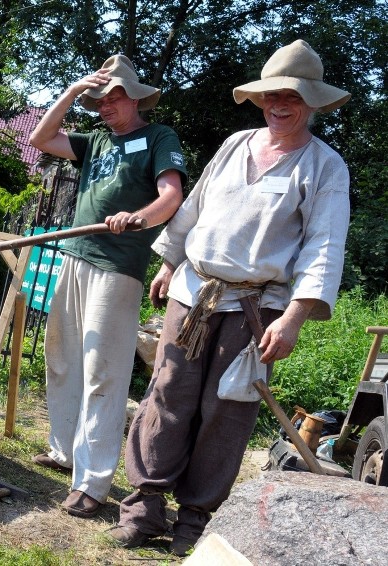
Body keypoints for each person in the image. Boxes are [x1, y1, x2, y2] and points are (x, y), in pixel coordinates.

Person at [109, 39, 351, 555]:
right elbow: (194, 209)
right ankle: (145, 506)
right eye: (271, 96)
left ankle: (195, 520)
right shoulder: (237, 143)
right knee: (168, 393)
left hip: (256, 307)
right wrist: (170, 260)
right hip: (193, 290)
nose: (279, 105)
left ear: (313, 103)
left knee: (227, 410)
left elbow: (324, 247)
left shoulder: (324, 167)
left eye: (292, 96)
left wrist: (293, 318)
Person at [28, 55, 187, 518]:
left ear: (135, 97)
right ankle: (64, 451)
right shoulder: (95, 139)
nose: (104, 106)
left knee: (103, 371)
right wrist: (74, 90)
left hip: (118, 266)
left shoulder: (159, 137)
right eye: (98, 99)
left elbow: (171, 196)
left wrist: (139, 219)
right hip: (74, 258)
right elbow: (40, 139)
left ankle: (94, 482)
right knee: (60, 356)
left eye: (113, 97)